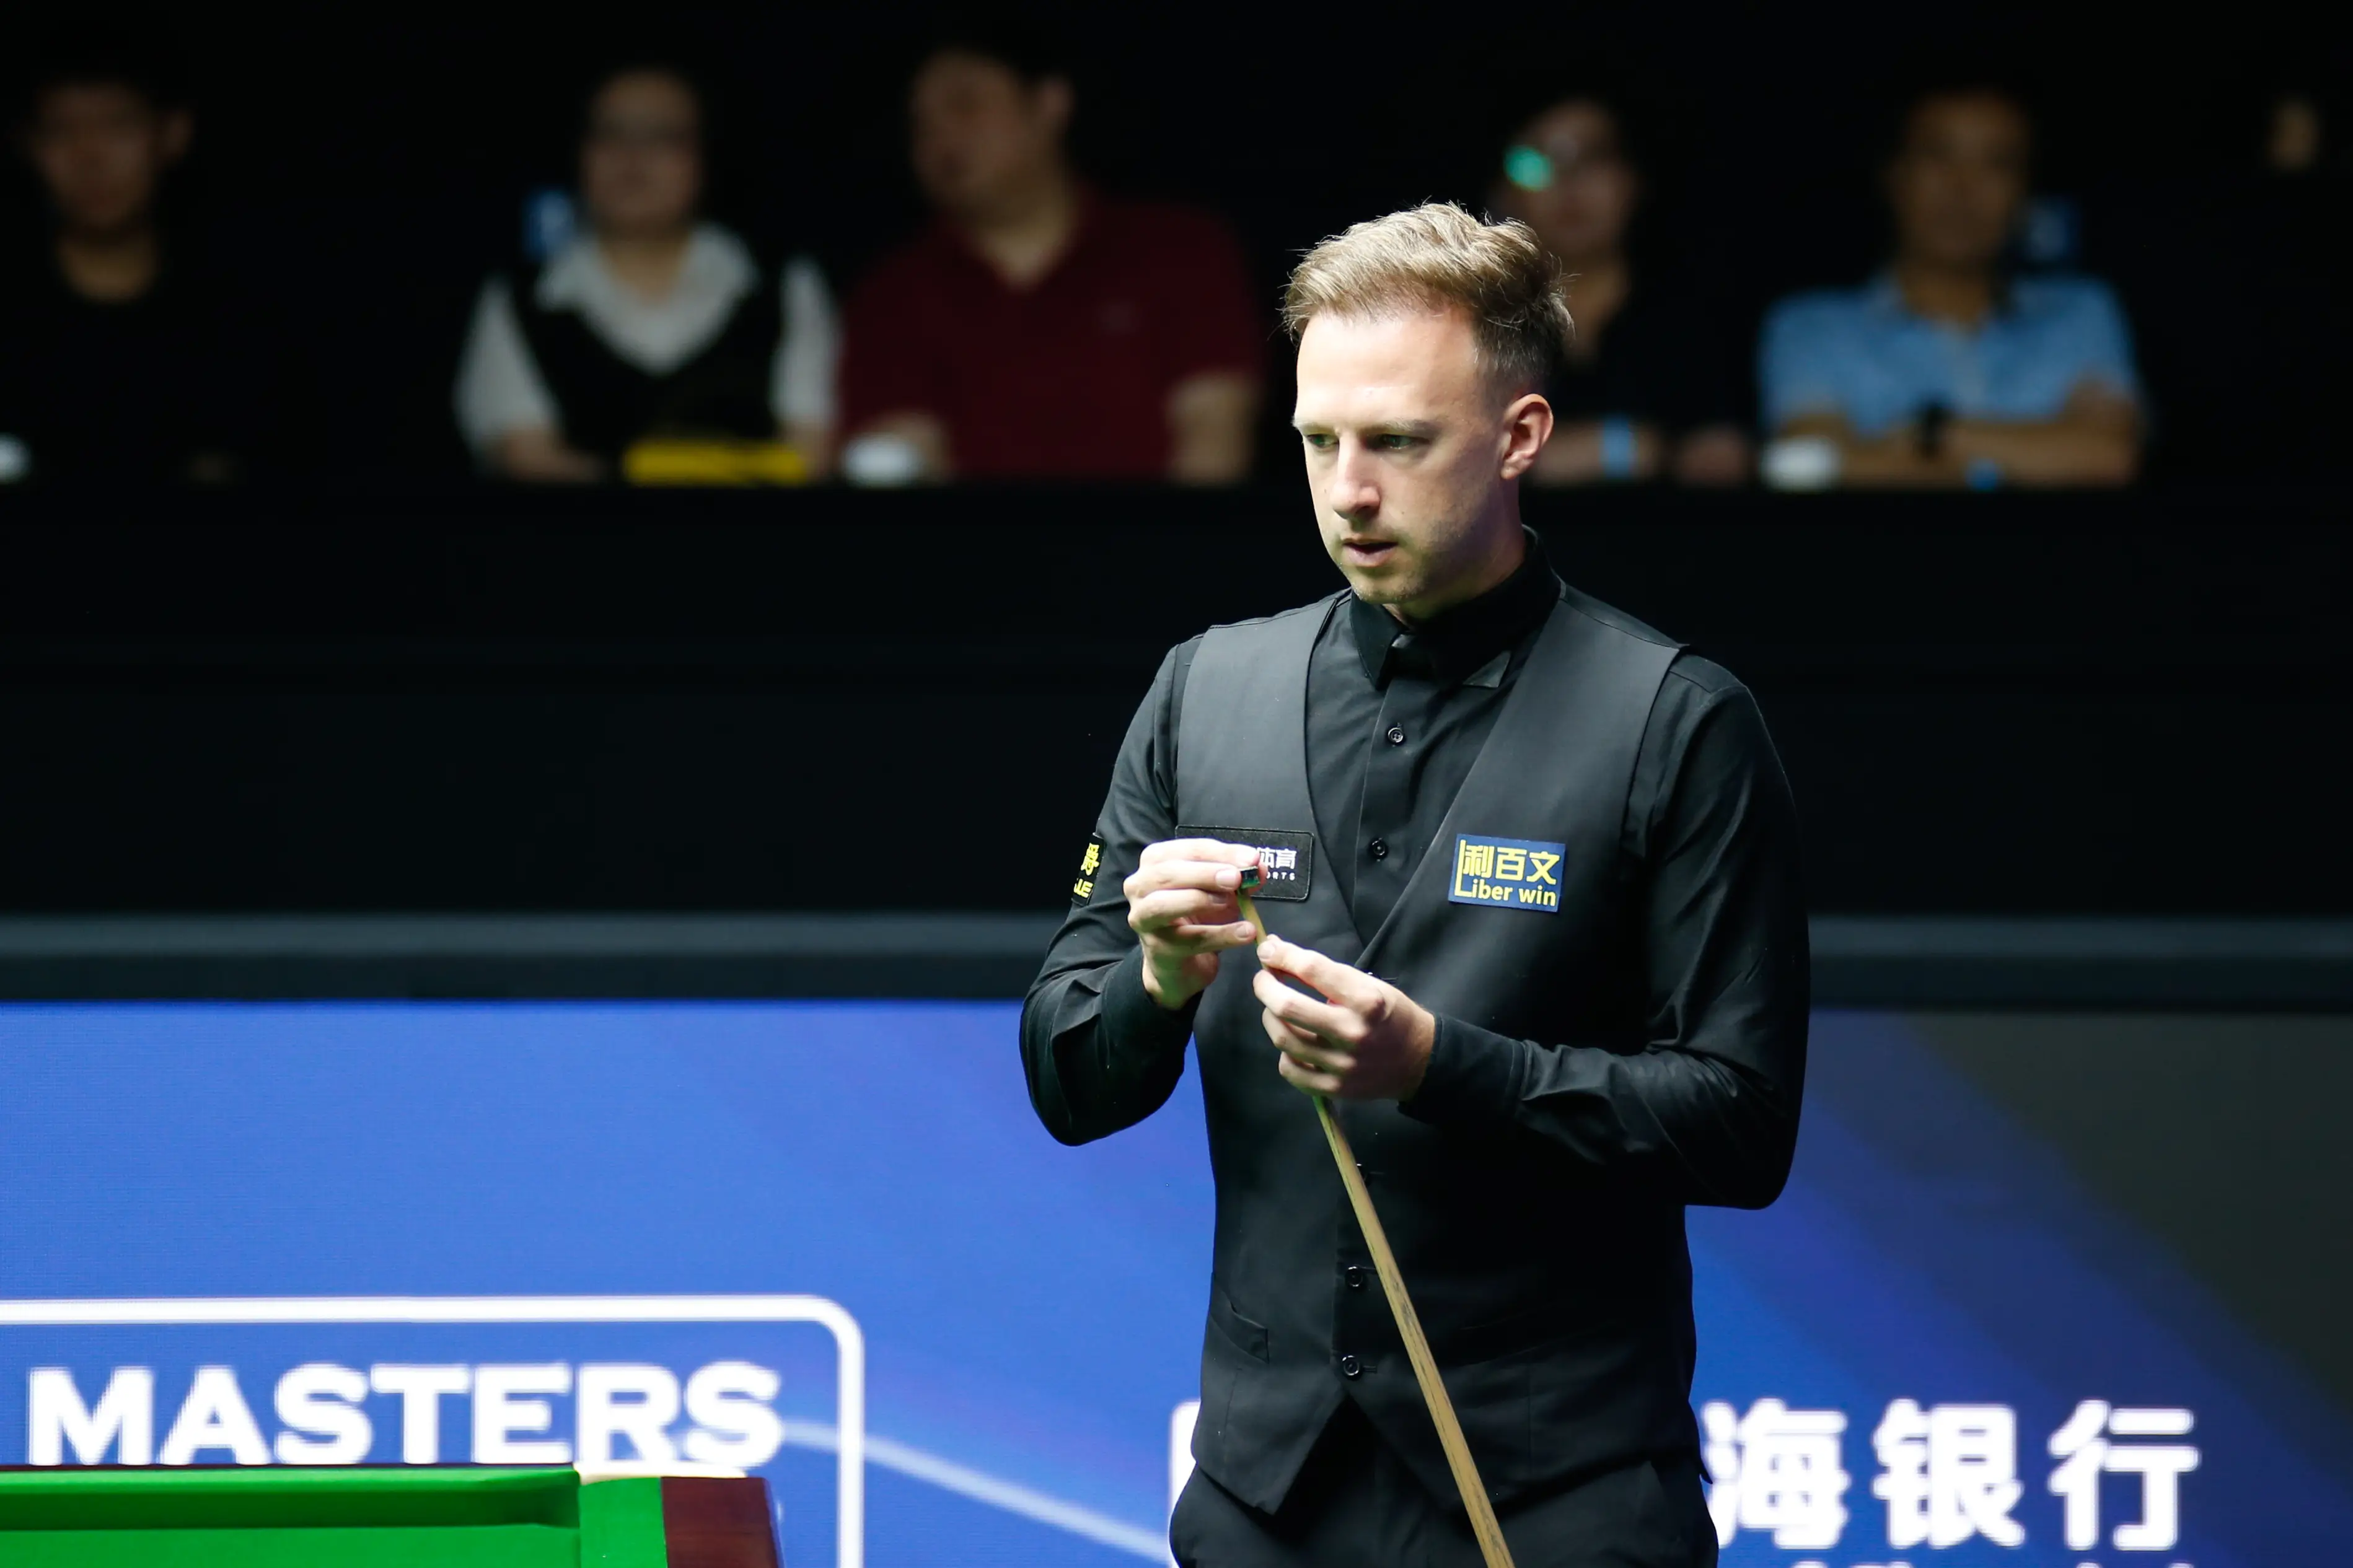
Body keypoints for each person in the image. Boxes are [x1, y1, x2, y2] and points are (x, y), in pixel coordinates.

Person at [1023, 204, 1806, 1566]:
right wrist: (1153, 986)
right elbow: (1068, 1078)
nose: (1348, 489)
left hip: (1556, 1497)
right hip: (1264, 1498)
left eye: (1396, 440)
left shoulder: (1673, 721)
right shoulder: (1202, 691)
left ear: (1518, 436)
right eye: (1318, 441)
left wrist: (1441, 1061)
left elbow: (1739, 1124)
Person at [836, 24, 1261, 483]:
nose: (940, 135)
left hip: (1164, 548)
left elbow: (1214, 440)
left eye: (964, 104)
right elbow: (901, 460)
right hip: (967, 553)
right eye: (921, 121)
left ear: (1048, 103)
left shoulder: (1179, 252)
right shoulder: (894, 293)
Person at [454, 64, 838, 482]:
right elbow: (524, 457)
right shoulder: (520, 296)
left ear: (706, 155)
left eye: (663, 136)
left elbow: (810, 452)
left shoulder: (782, 285)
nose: (632, 156)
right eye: (610, 133)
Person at [1757, 82, 2143, 488]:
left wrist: (1928, 434)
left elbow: (2106, 457)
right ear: (1894, 175)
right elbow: (1806, 467)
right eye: (1938, 156)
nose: (1963, 189)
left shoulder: (2080, 312)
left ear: (2025, 193)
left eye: (1996, 163)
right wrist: (2034, 451)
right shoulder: (1813, 326)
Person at [0, 35, 245, 484]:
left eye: (119, 126)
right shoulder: (12, 312)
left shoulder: (239, 313)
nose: (91, 157)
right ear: (28, 146)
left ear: (172, 133)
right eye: (60, 130)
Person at [1491, 92, 1749, 485]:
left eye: (1593, 158)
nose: (1568, 181)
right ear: (1503, 191)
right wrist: (1630, 448)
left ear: (1634, 182)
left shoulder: (1695, 322)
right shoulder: (1476, 323)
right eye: (1535, 162)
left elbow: (1723, 459)